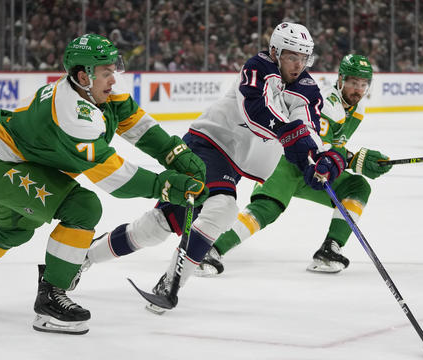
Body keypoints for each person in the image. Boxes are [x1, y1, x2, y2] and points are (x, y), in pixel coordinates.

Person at [0, 34, 207, 335]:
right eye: (106, 72)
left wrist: (175, 153)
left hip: (18, 162)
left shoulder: (97, 90)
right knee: (83, 207)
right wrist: (166, 186)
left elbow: (136, 123)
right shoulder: (73, 114)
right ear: (83, 75)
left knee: (14, 229)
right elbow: (112, 176)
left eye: (113, 70)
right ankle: (50, 298)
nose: (113, 79)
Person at [83, 22, 346, 312]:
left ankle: (84, 257)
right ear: (275, 51)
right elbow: (256, 111)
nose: (298, 64)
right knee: (222, 208)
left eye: (303, 57)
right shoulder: (258, 67)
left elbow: (306, 125)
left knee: (157, 226)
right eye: (291, 56)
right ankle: (170, 285)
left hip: (232, 163)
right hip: (206, 145)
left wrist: (318, 158)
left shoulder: (306, 88)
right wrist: (292, 136)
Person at [195, 54, 392, 276]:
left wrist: (352, 159)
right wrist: (355, 160)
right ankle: (207, 252)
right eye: (353, 83)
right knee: (266, 209)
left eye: (363, 84)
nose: (358, 89)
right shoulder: (328, 104)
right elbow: (317, 148)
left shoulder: (358, 110)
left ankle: (329, 250)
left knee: (357, 187)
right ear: (341, 79)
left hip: (312, 172)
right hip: (286, 162)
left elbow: (334, 148)